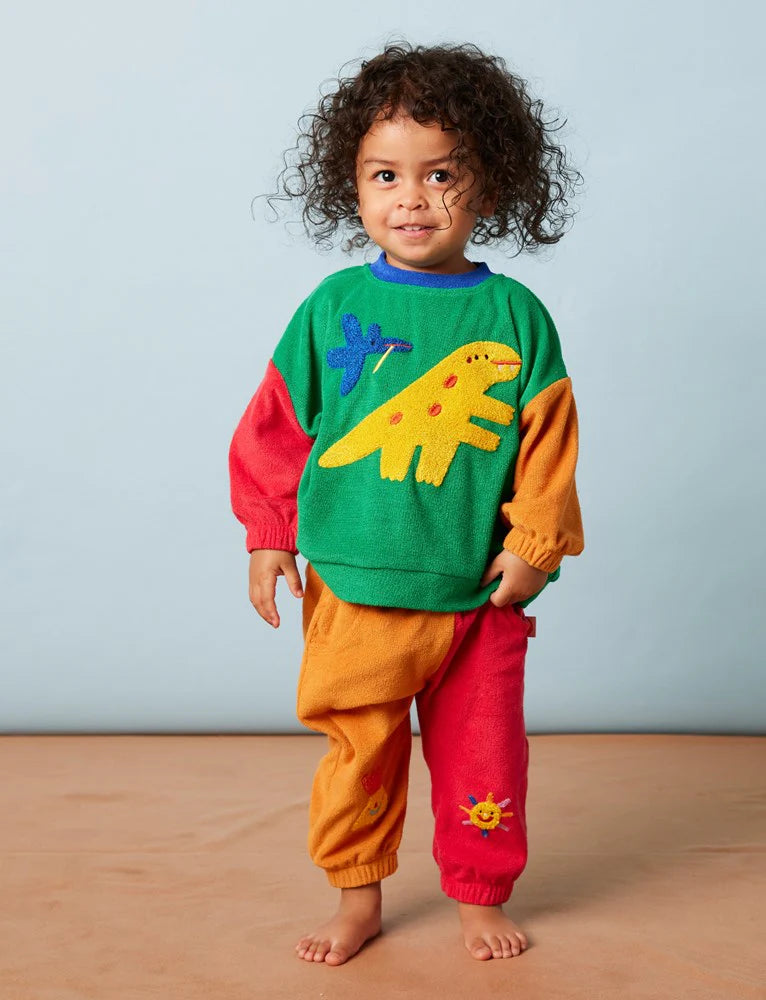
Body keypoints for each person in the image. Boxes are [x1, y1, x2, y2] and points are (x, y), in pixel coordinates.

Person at [229, 40, 585, 965]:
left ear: (491, 187)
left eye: (441, 175)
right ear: (351, 186)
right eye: (385, 175)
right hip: (355, 590)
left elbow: (549, 447)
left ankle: (478, 895)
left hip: (477, 597)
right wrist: (269, 534)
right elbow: (276, 426)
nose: (412, 198)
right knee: (360, 754)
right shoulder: (333, 308)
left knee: (486, 760)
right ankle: (358, 898)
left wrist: (535, 542)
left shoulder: (514, 317)